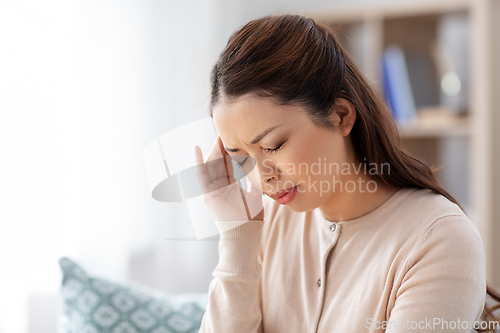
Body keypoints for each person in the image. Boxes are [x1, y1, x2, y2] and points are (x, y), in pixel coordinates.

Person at [193, 14, 500, 332]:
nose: (261, 177)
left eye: (273, 145)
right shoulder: (268, 222)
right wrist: (236, 237)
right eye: (240, 157)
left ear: (340, 115)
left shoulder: (438, 240)